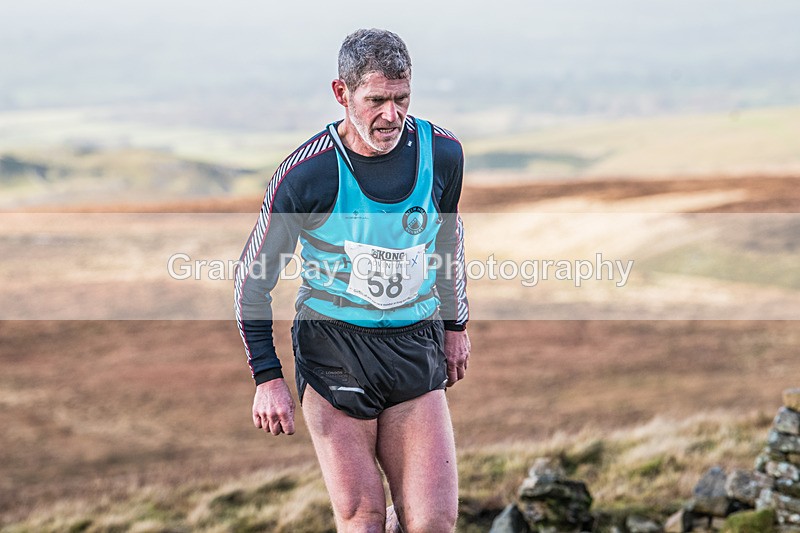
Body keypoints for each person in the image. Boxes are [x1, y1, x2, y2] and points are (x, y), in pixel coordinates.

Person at [234, 28, 470, 533]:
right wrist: (266, 377)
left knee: (432, 522)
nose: (391, 116)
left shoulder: (443, 153)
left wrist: (455, 326)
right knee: (362, 520)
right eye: (376, 101)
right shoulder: (307, 175)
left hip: (414, 346)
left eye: (402, 99)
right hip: (334, 352)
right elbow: (253, 282)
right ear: (342, 94)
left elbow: (448, 243)